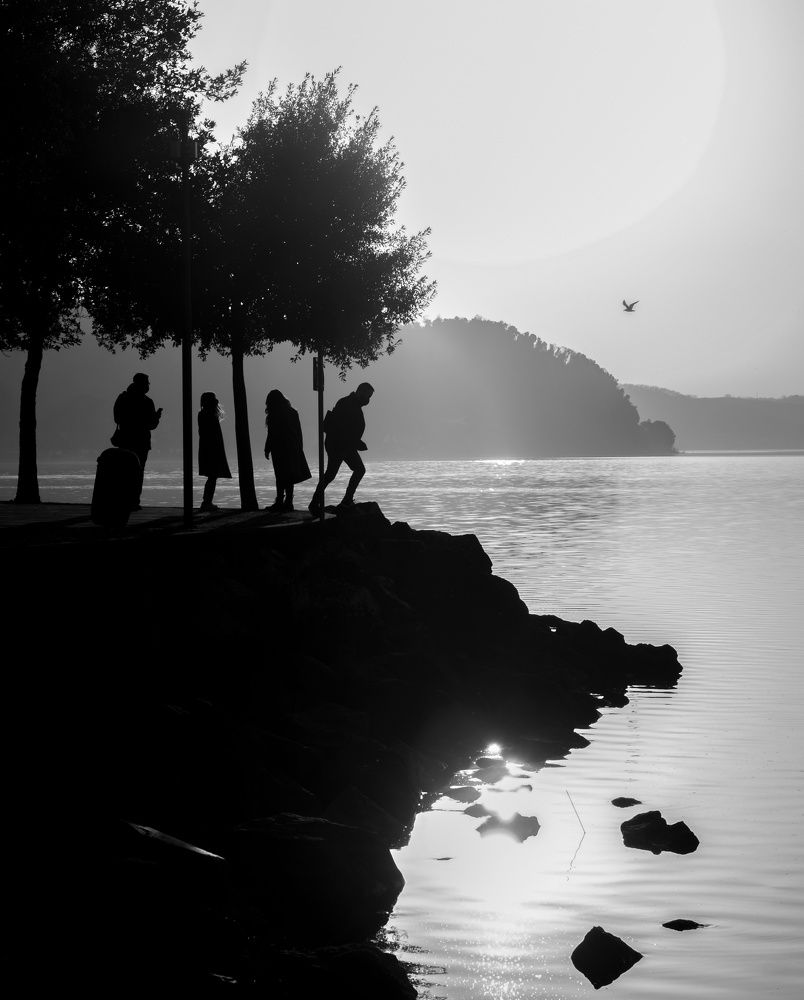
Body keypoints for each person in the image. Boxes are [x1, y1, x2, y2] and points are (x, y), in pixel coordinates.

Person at [308, 382, 374, 514]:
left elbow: (349, 429)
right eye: (368, 396)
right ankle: (316, 502)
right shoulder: (346, 403)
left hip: (347, 445)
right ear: (360, 392)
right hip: (338, 444)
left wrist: (356, 442)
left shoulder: (352, 404)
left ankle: (346, 500)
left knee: (358, 470)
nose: (368, 400)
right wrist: (357, 442)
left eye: (370, 397)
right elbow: (342, 428)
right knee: (331, 474)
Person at [112, 373, 162, 510]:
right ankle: (134, 501)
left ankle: (121, 500)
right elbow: (151, 425)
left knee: (123, 471)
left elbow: (117, 418)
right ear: (143, 384)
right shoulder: (147, 401)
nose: (148, 385)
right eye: (147, 383)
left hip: (125, 440)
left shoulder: (122, 398)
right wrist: (156, 417)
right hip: (141, 441)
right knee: (138, 472)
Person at [264, 389, 311, 511]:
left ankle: (280, 501)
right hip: (292, 447)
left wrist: (267, 448)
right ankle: (289, 502)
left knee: (280, 475)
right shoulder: (293, 412)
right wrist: (299, 447)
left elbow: (272, 433)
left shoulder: (274, 414)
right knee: (290, 475)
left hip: (279, 448)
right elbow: (298, 432)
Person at [197, 392, 231, 511]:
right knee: (212, 476)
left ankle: (207, 501)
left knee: (212, 476)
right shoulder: (208, 414)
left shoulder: (204, 414)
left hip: (208, 448)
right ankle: (206, 502)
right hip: (211, 449)